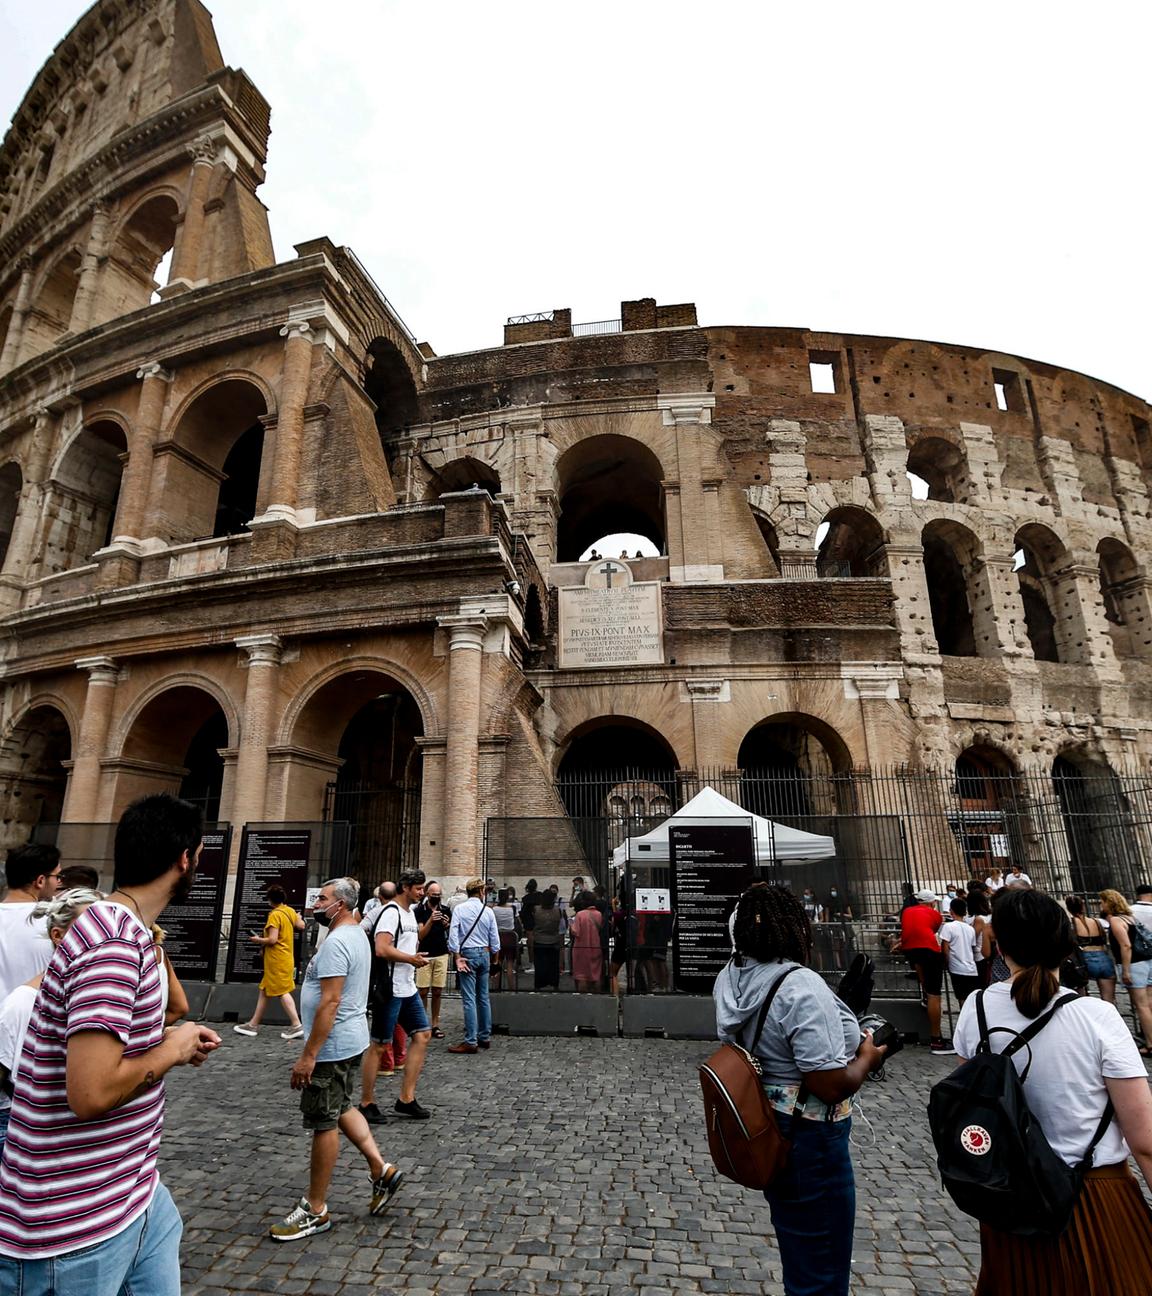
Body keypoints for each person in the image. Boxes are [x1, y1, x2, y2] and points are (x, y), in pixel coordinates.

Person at [0, 793, 222, 1292]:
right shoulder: (115, 945)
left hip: (133, 1190)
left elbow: (95, 1041)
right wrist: (175, 1048)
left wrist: (164, 1038)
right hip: (72, 1225)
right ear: (185, 859)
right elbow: (91, 1092)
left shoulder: (120, 929)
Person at [953, 888, 1152, 1294]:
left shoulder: (975, 1010)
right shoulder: (1098, 1016)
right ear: (1066, 943)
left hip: (1011, 1210)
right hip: (1097, 1201)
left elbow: (974, 1107)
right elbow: (1145, 1140)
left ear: (1000, 945)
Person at [714, 885, 887, 1296]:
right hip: (813, 1141)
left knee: (803, 1257)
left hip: (771, 1129)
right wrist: (868, 1057)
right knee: (822, 1274)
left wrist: (838, 1014)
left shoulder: (732, 977)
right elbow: (828, 1084)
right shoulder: (800, 985)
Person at [273, 876, 403, 1241]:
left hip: (331, 1046)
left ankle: (315, 1208)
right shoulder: (356, 934)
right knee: (344, 1105)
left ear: (340, 905)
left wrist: (308, 1055)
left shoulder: (337, 942)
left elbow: (331, 1001)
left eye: (323, 899)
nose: (316, 904)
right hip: (351, 1039)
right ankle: (381, 1169)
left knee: (323, 1122)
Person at [0, 887, 102, 1155]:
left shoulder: (102, 998)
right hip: (30, 1142)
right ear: (58, 936)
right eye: (90, 932)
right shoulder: (21, 1004)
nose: (103, 942)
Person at [358, 868, 432, 1123]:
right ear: (406, 887)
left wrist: (414, 957)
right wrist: (410, 959)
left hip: (407, 987)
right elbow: (381, 948)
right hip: (390, 989)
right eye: (419, 889)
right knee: (379, 1045)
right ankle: (366, 1102)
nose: (422, 893)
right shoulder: (390, 913)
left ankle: (406, 1098)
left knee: (422, 1035)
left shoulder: (410, 913)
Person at [234, 884, 306, 1040]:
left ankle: (296, 1025)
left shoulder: (274, 915)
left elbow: (272, 939)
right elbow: (301, 925)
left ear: (270, 900)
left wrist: (257, 939)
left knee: (281, 991)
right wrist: (298, 917)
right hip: (286, 956)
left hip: (276, 959)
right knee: (265, 990)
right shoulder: (289, 911)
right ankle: (253, 1024)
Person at [0, 844, 62, 1000]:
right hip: (32, 1019)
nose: (59, 883)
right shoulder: (54, 919)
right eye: (57, 876)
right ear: (40, 881)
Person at [447, 876, 501, 1054]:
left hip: (467, 953)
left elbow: (453, 934)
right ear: (481, 892)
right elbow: (495, 939)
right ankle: (484, 1036)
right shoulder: (488, 911)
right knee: (483, 997)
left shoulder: (460, 909)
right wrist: (495, 959)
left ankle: (471, 1040)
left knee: (469, 998)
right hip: (484, 953)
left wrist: (456, 955)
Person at [900, 889, 954, 1054]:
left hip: (909, 949)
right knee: (935, 996)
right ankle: (936, 1040)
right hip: (928, 950)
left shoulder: (907, 911)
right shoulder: (935, 914)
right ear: (932, 903)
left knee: (918, 965)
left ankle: (925, 992)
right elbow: (933, 931)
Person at [1101, 888, 1152, 1056]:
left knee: (1142, 1006)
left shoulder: (1116, 920)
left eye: (1102, 902)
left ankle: (1150, 1044)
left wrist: (1126, 971)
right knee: (1149, 1004)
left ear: (1110, 903)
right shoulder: (1130, 917)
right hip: (1147, 961)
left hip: (1135, 965)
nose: (1101, 905)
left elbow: (1126, 945)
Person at [414, 879, 450, 1038]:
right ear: (427, 894)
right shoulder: (419, 910)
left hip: (441, 952)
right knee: (422, 991)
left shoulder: (446, 910)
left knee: (437, 991)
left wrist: (446, 925)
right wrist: (431, 920)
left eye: (439, 894)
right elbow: (420, 935)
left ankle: (435, 1024)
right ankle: (423, 1023)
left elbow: (450, 930)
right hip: (425, 954)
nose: (437, 897)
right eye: (434, 894)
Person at [1067, 893, 1116, 1003]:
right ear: (1083, 906)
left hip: (1084, 959)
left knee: (1081, 998)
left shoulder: (1071, 923)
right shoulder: (1097, 922)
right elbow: (1104, 938)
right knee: (1109, 1000)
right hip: (1103, 958)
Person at [939, 897, 980, 1005]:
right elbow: (971, 947)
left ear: (951, 911)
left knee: (962, 999)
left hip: (957, 968)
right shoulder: (970, 929)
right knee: (972, 1000)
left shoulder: (948, 927)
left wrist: (946, 964)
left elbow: (945, 949)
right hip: (971, 968)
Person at [570, 890, 604, 992]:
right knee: (596, 974)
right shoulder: (599, 914)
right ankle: (597, 996)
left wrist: (570, 925)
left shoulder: (580, 914)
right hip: (596, 947)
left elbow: (576, 931)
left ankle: (584, 1000)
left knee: (582, 975)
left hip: (581, 949)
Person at [533, 889, 563, 990]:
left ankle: (539, 983)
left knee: (540, 963)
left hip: (539, 939)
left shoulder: (536, 909)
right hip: (554, 939)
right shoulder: (558, 910)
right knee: (553, 964)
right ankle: (554, 983)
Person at [492, 888, 521, 990]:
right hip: (510, 936)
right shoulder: (512, 908)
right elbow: (517, 921)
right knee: (509, 964)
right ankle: (511, 988)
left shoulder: (494, 909)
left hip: (498, 936)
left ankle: (496, 987)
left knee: (497, 962)